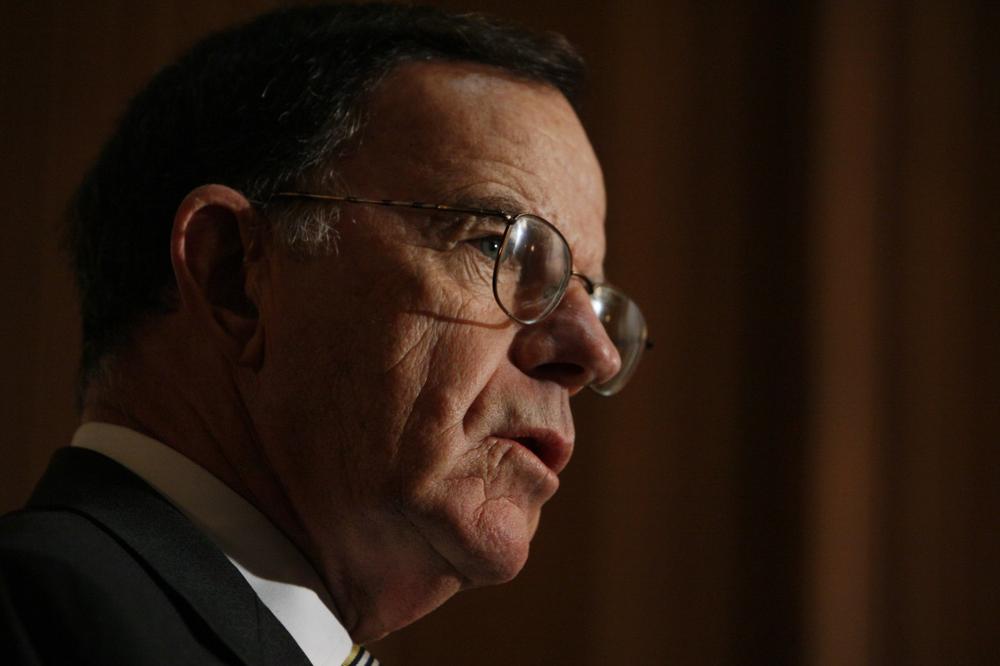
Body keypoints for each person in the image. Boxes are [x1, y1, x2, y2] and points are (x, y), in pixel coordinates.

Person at [0, 4, 648, 664]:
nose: (592, 353)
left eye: (591, 298)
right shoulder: (33, 625)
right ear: (235, 276)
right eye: (495, 247)